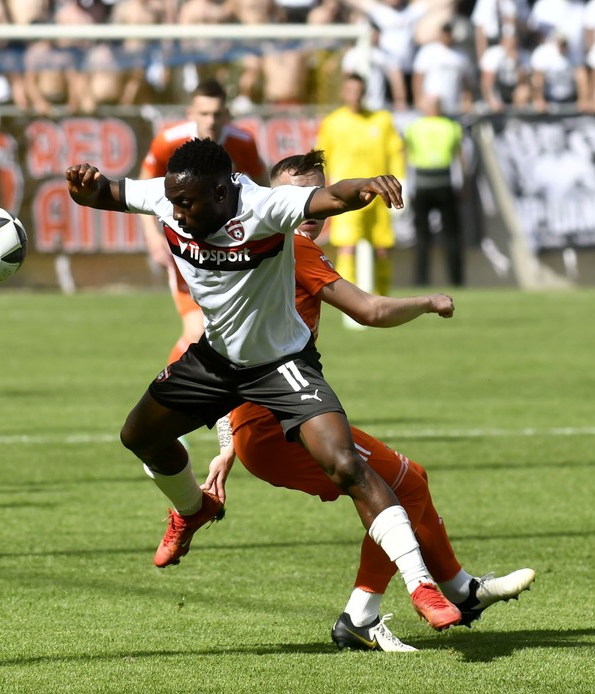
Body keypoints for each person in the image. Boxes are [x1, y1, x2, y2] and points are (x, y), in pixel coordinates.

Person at [65, 138, 462, 631]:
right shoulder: (169, 196)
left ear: (220, 193)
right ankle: (193, 508)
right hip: (215, 359)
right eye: (172, 200)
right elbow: (108, 192)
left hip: (281, 363)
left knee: (346, 466)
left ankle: (422, 586)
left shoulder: (263, 206)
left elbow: (330, 198)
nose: (176, 211)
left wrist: (366, 187)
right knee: (139, 436)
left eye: (187, 203)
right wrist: (85, 188)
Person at [200, 150, 535, 651]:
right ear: (273, 200)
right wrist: (428, 301)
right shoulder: (295, 249)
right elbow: (371, 311)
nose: (310, 210)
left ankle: (459, 590)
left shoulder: (249, 247)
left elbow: (225, 344)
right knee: (397, 485)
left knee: (409, 480)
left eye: (315, 197)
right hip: (281, 425)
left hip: (264, 422)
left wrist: (229, 438)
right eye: (297, 198)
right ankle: (366, 614)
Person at [139, 78, 268, 365]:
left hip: (231, 248)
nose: (211, 121)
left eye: (217, 114)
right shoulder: (168, 141)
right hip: (185, 245)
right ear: (191, 113)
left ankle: (218, 405)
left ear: (227, 114)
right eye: (204, 113)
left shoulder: (243, 142)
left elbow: (263, 189)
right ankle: (168, 399)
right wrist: (151, 236)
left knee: (230, 334)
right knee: (197, 330)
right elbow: (143, 187)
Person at [315, 73, 404, 296]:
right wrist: (323, 187)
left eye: (359, 91)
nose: (355, 95)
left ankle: (384, 299)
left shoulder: (381, 120)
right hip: (347, 194)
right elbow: (321, 157)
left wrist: (402, 181)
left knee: (382, 247)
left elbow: (395, 151)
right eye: (351, 90)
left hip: (381, 191)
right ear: (343, 93)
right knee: (348, 246)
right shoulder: (333, 122)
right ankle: (350, 303)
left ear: (364, 92)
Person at [403, 95, 465, 287]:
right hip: (444, 184)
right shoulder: (451, 126)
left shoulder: (414, 127)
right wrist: (465, 184)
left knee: (422, 237)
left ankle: (421, 280)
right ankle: (456, 280)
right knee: (451, 236)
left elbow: (404, 154)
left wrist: (405, 184)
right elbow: (460, 157)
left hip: (422, 184)